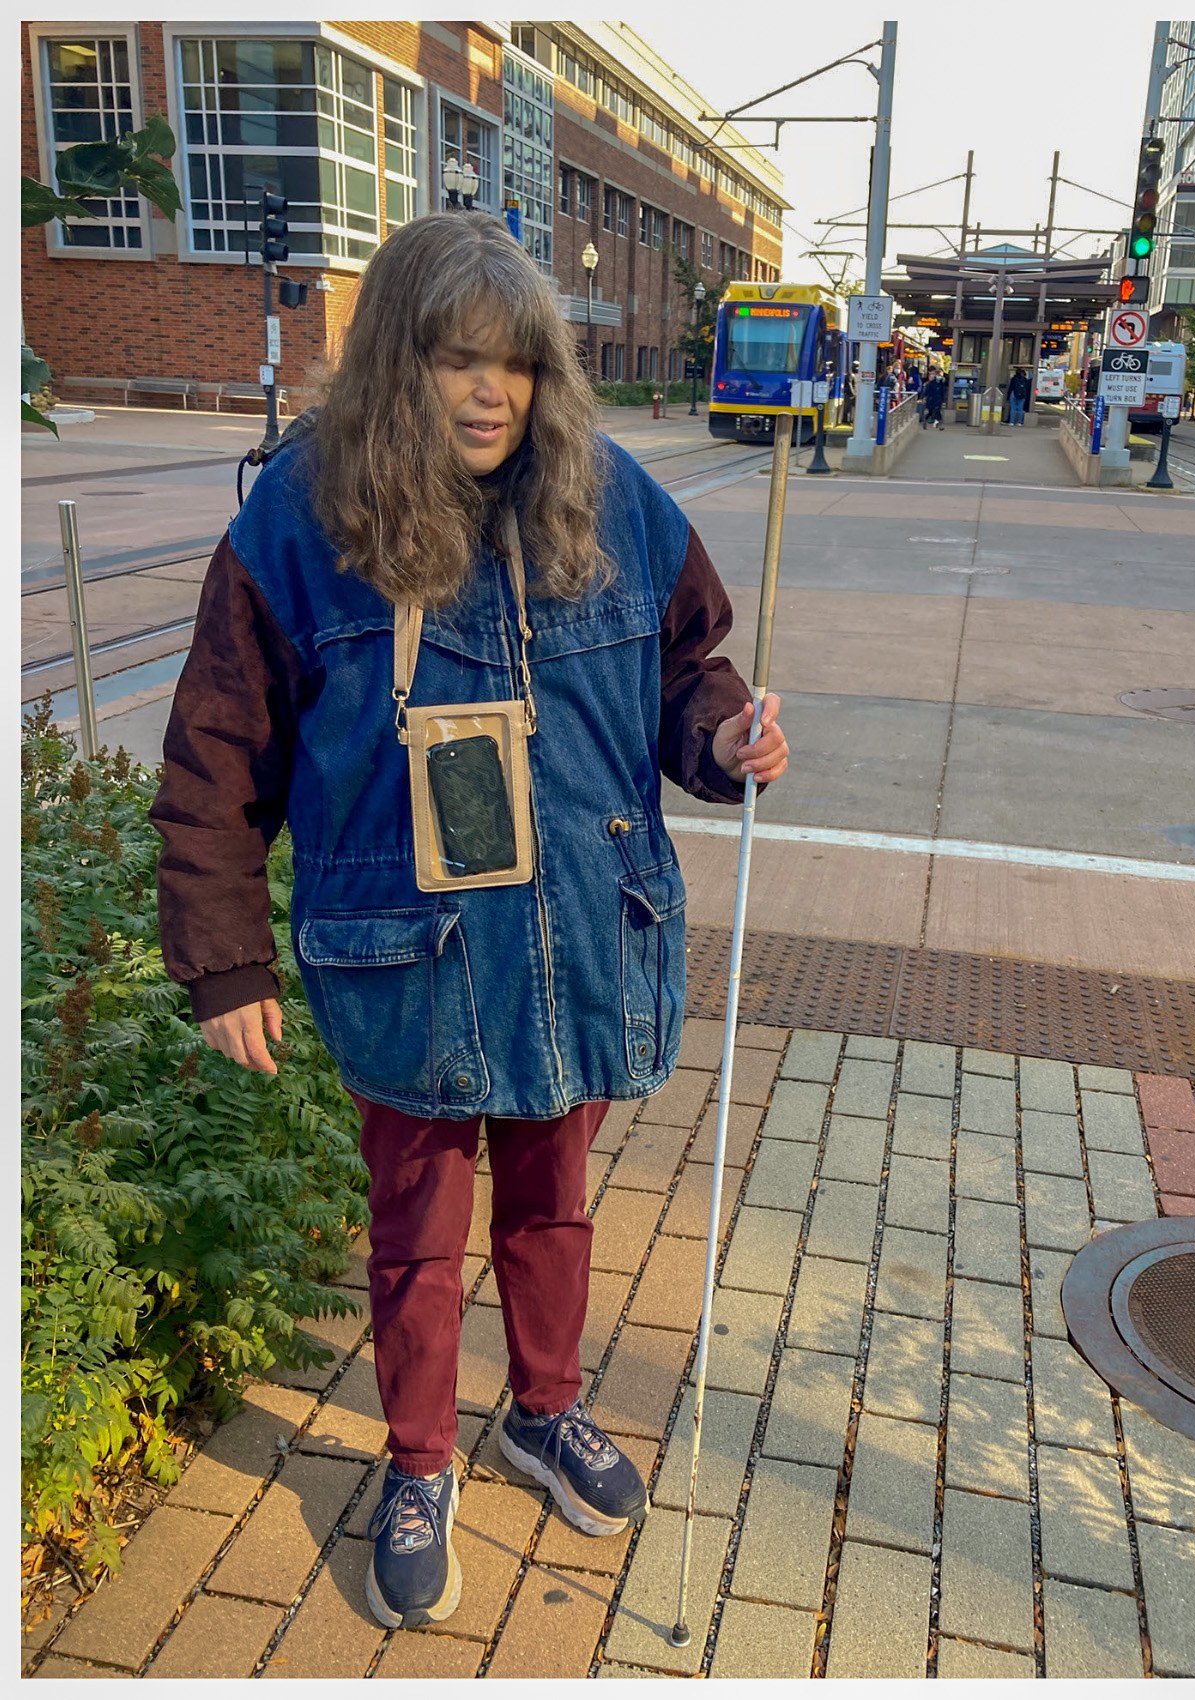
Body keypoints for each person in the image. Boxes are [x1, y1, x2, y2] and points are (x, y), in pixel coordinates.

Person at [148, 212, 790, 1632]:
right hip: (415, 956)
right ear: (398, 364)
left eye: (515, 364)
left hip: (574, 943)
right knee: (418, 1234)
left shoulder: (614, 500)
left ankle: (544, 1411)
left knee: (555, 1205)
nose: (490, 392)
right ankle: (421, 1457)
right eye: (455, 359)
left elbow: (687, 673)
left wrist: (726, 736)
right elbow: (215, 756)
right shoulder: (298, 528)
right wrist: (223, 962)